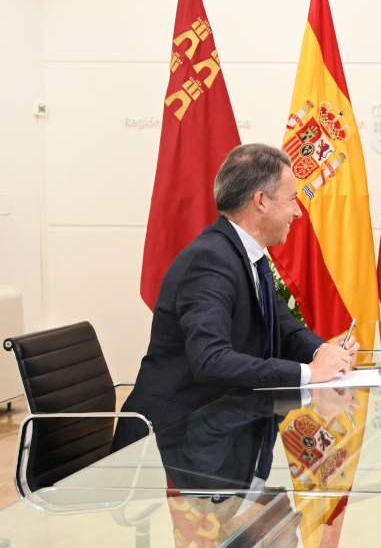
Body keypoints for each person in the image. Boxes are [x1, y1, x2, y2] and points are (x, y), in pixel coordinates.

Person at [111, 143, 358, 451]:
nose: (297, 211)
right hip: (170, 442)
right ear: (261, 201)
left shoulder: (248, 255)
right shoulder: (209, 260)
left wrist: (325, 352)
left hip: (219, 431)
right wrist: (311, 372)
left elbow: (284, 328)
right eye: (292, 199)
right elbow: (211, 360)